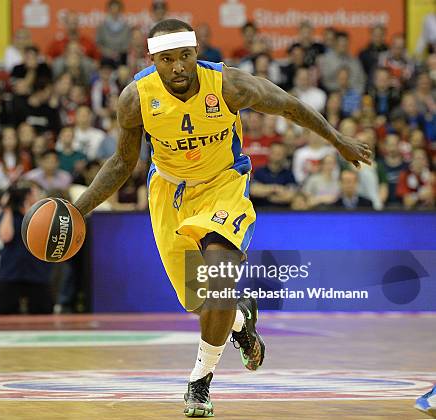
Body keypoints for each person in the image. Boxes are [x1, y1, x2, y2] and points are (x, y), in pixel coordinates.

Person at [71, 19, 372, 417]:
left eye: (185, 56)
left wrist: (338, 140)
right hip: (168, 190)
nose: (178, 67)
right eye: (167, 59)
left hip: (222, 184)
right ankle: (240, 318)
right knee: (202, 302)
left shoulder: (229, 86)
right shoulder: (136, 98)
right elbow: (122, 162)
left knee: (217, 281)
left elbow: (290, 105)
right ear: (152, 60)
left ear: (196, 53)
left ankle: (200, 383)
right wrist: (78, 211)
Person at [0, 181, 53, 314]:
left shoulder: (43, 213)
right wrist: (7, 208)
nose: (30, 196)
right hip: (11, 271)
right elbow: (5, 236)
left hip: (37, 271)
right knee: (2, 311)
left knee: (43, 312)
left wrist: (31, 209)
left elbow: (38, 234)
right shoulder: (8, 213)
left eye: (32, 192)